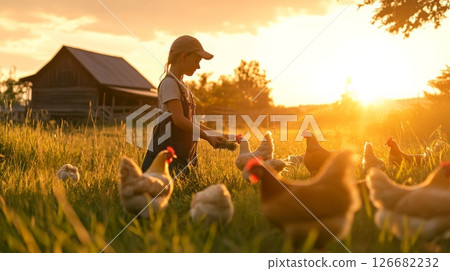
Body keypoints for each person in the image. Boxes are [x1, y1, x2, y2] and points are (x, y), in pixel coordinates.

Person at [142, 35, 226, 173]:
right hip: (168, 154)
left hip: (183, 153)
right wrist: (207, 137)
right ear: (184, 56)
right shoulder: (169, 83)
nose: (198, 66)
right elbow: (179, 120)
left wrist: (216, 134)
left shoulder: (182, 86)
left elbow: (189, 121)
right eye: (196, 60)